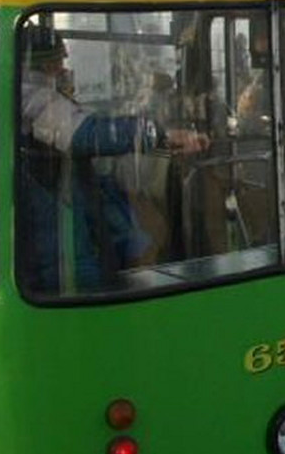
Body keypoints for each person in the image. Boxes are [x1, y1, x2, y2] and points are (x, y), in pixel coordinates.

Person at [17, 26, 209, 293]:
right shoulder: (33, 97)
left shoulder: (2, 97)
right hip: (57, 214)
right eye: (58, 61)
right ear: (45, 63)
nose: (63, 69)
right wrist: (157, 134)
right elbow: (87, 135)